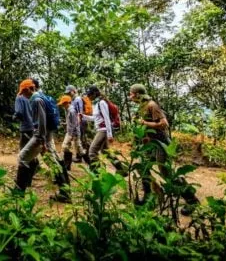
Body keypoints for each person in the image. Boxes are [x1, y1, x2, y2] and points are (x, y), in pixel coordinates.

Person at [129, 84, 200, 215]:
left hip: (161, 143)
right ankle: (149, 198)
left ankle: (192, 200)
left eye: (131, 94)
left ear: (138, 94)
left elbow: (164, 124)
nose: (130, 96)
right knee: (142, 167)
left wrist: (144, 123)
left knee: (167, 172)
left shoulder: (152, 105)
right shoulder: (141, 106)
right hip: (149, 144)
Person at [15, 79, 71, 203]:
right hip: (46, 135)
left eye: (24, 92)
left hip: (41, 136)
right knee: (53, 161)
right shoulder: (42, 97)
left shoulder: (36, 100)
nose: (23, 95)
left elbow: (41, 122)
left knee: (22, 158)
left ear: (29, 89)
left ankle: (17, 195)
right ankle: (65, 193)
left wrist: (41, 140)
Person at [80, 85, 114, 171]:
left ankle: (97, 174)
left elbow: (107, 118)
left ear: (95, 94)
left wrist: (110, 134)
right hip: (100, 129)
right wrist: (83, 116)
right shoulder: (96, 104)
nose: (88, 96)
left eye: (90, 94)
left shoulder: (102, 103)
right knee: (106, 152)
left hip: (103, 130)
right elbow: (95, 118)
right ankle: (123, 170)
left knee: (92, 152)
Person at [57, 95, 85, 171]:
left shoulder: (72, 111)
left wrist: (71, 135)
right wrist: (65, 124)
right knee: (72, 148)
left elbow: (75, 124)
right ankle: (67, 166)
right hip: (71, 132)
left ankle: (90, 161)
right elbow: (71, 123)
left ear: (66, 103)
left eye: (63, 104)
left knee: (70, 147)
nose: (62, 106)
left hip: (73, 133)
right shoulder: (68, 110)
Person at [64, 85, 88, 163]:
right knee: (77, 141)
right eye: (67, 93)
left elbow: (79, 113)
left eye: (69, 92)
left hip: (79, 121)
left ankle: (84, 157)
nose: (68, 94)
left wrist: (77, 124)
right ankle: (80, 157)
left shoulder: (77, 99)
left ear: (74, 91)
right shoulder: (73, 100)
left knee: (79, 140)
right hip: (76, 122)